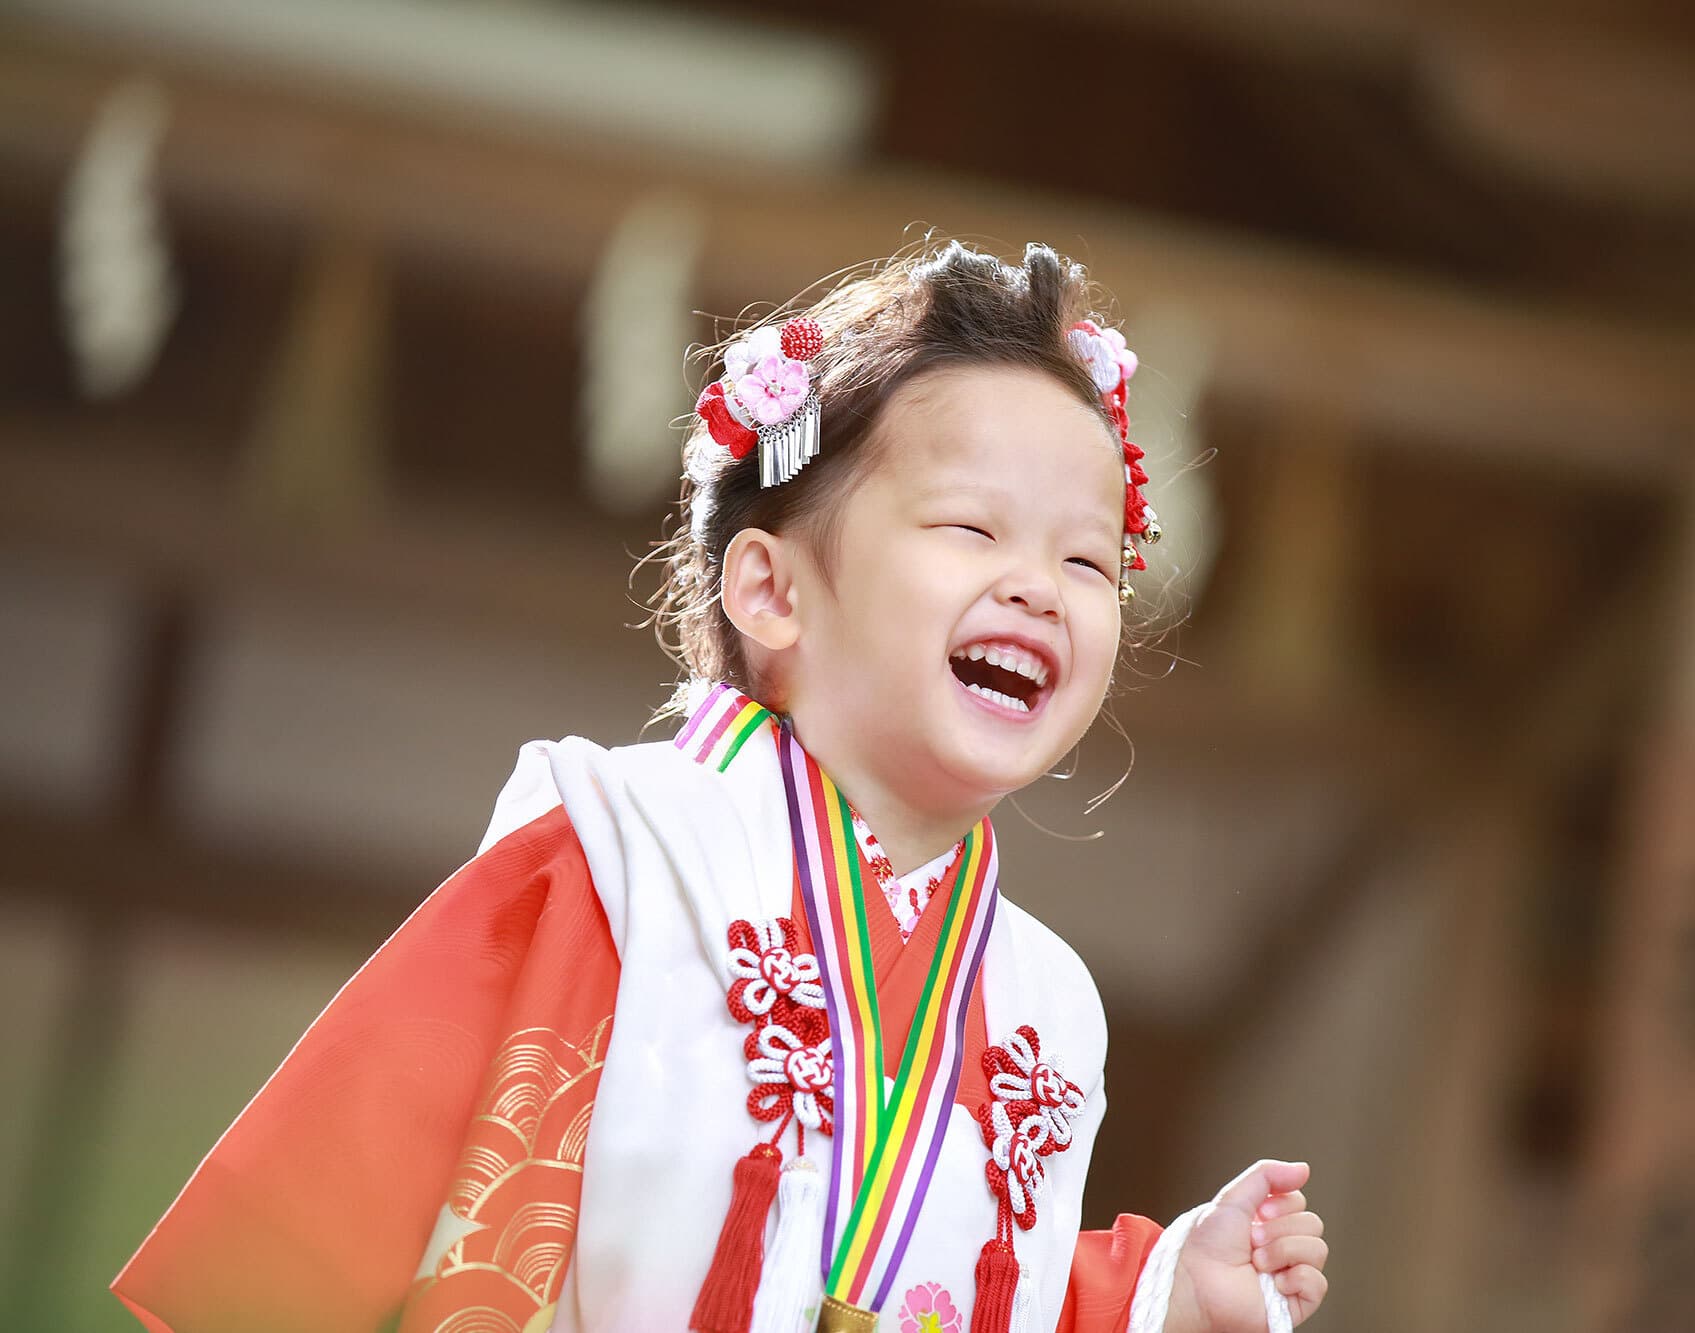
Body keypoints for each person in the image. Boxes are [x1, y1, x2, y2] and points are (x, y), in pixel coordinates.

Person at [111, 240, 1328, 1333]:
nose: (1039, 587)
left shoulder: (1045, 1005)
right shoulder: (618, 856)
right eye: (972, 529)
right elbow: (313, 1238)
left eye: (1086, 558)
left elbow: (934, 1266)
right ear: (770, 590)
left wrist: (1161, 1290)